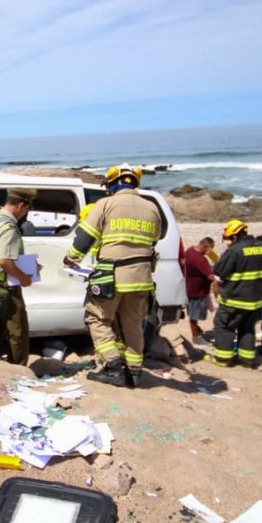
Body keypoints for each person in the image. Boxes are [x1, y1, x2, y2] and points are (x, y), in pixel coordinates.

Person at [64, 165, 162, 388]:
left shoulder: (106, 204)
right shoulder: (152, 208)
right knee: (133, 323)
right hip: (142, 278)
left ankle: (114, 367)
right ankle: (135, 373)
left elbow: (84, 237)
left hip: (112, 277)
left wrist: (72, 259)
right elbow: (154, 239)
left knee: (97, 318)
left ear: (112, 183)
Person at [0, 188, 36, 365]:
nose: (25, 214)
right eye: (26, 210)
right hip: (6, 286)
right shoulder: (9, 227)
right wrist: (24, 278)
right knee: (18, 330)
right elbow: (4, 260)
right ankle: (19, 370)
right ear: (20, 205)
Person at [207, 219, 262, 368]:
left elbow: (220, 272)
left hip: (235, 298)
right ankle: (246, 359)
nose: (228, 242)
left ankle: (223, 358)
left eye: (228, 239)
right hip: (256, 299)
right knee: (247, 328)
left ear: (234, 236)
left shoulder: (234, 251)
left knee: (223, 325)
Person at [182, 237, 216, 345]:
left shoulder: (189, 251)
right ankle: (196, 337)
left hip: (190, 287)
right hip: (197, 291)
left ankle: (198, 330)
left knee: (194, 313)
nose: (209, 252)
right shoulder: (200, 259)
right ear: (205, 247)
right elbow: (210, 276)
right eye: (210, 250)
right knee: (194, 315)